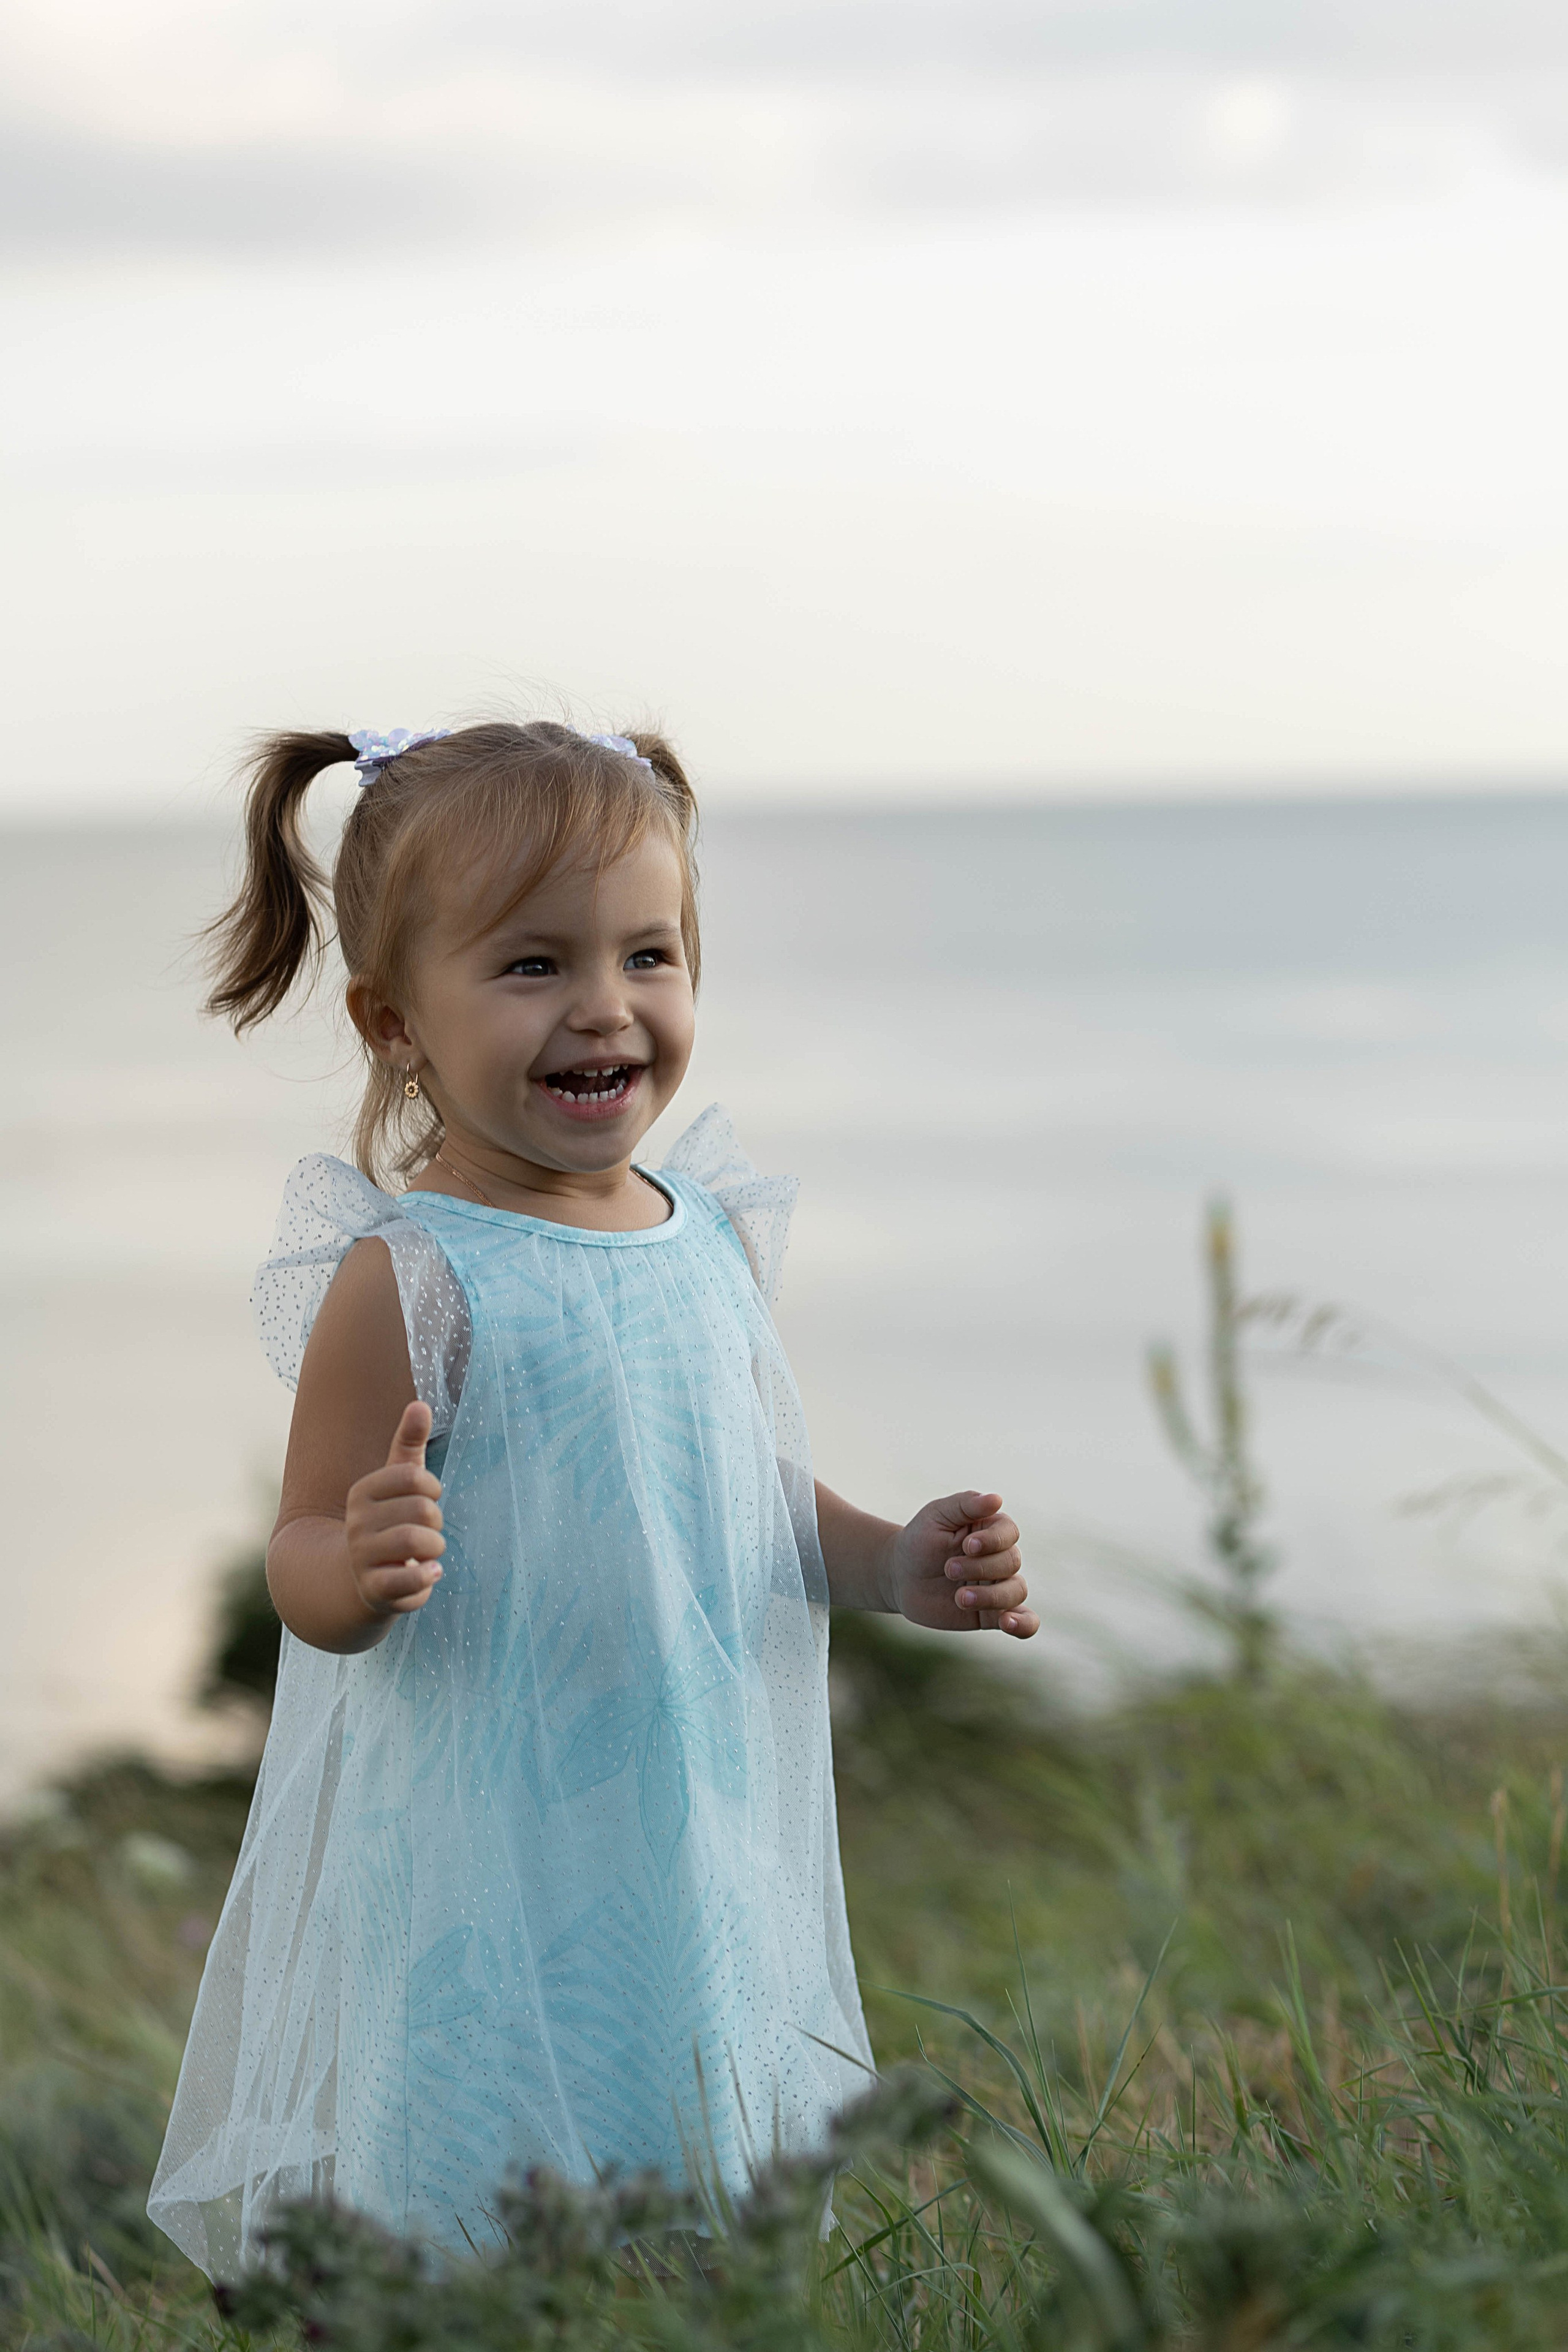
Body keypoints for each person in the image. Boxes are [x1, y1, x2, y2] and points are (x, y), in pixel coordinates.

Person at [148, 719, 1035, 2276]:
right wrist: (352, 1566)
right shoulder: (413, 1275)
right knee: (490, 2200)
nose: (604, 1008)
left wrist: (889, 1563)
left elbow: (731, 1495)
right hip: (484, 1855)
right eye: (531, 967)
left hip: (688, 1836)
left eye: (648, 954)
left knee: (691, 2168)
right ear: (393, 1019)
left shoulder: (702, 1235)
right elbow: (300, 1547)